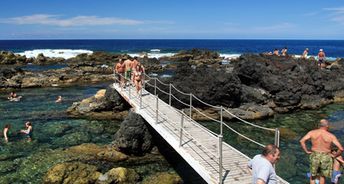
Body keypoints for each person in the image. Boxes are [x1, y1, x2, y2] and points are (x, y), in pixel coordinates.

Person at [300, 119, 344, 184]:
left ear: (319, 126)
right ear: (327, 126)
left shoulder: (312, 132)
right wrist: (335, 156)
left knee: (313, 176)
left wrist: (306, 151)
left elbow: (302, 141)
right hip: (326, 156)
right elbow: (341, 149)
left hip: (315, 155)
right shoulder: (330, 136)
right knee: (322, 176)